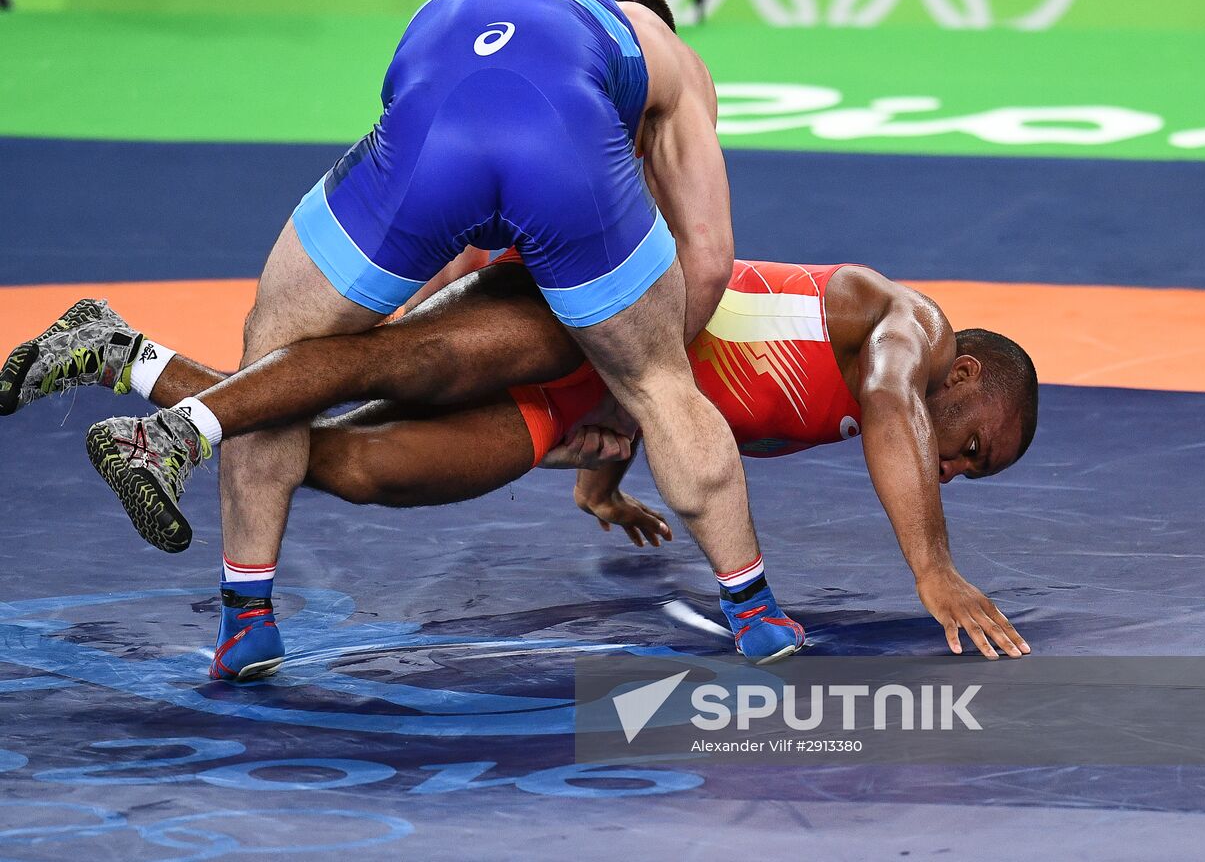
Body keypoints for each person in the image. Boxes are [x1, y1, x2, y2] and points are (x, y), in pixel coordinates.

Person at [65, 0, 802, 667]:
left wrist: (386, 356)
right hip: (557, 147)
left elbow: (448, 237)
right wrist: (626, 388)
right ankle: (755, 612)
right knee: (660, 383)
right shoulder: (665, 51)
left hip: (433, 82)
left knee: (274, 341)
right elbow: (706, 259)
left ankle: (245, 620)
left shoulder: (481, 9)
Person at [1, 252, 1037, 678]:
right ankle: (126, 363)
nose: (955, 466)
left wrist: (603, 478)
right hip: (570, 311)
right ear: (968, 372)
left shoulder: (867, 403)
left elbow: (686, 397)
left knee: (364, 466)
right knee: (373, 376)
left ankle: (114, 352)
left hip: (586, 388)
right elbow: (900, 406)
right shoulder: (911, 327)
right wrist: (932, 570)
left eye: (968, 477)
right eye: (974, 448)